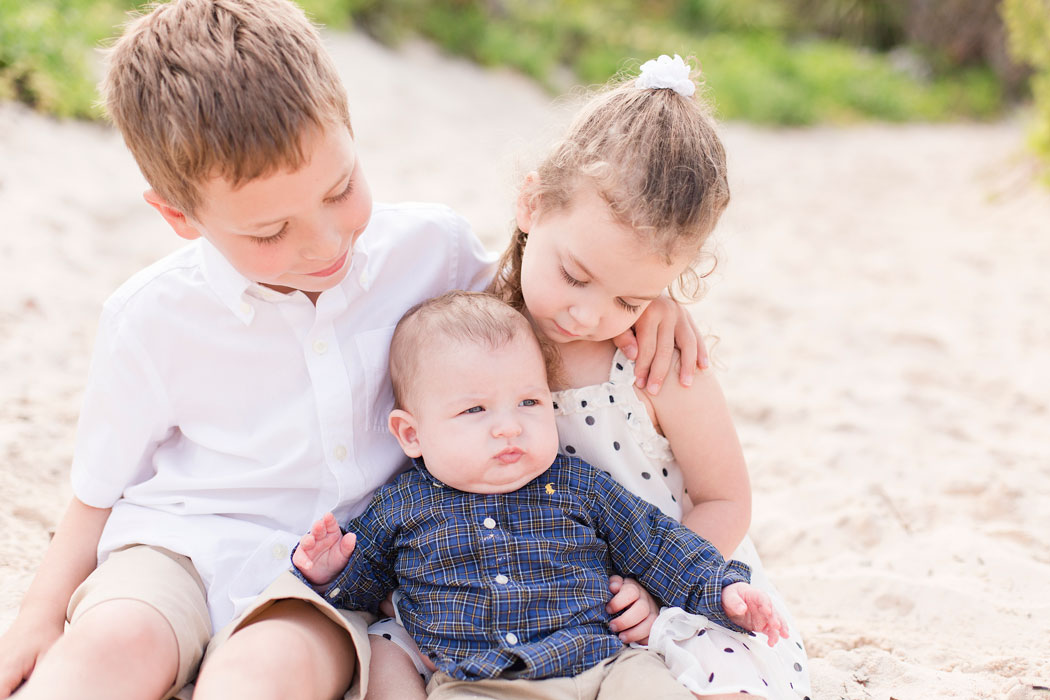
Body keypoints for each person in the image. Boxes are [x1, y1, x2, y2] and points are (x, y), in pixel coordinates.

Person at [0, 4, 704, 699]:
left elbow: (544, 297)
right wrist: (37, 618)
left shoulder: (432, 251)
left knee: (260, 677)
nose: (325, 242)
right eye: (271, 231)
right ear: (179, 216)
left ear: (351, 134)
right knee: (108, 647)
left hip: (335, 573)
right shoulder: (150, 316)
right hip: (175, 545)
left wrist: (646, 297)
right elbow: (95, 494)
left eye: (341, 189)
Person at [488, 54, 813, 698]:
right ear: (531, 203)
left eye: (630, 300)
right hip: (523, 591)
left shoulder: (654, 364)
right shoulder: (475, 327)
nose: (588, 315)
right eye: (575, 276)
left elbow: (725, 499)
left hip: (654, 597)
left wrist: (655, 584)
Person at [292, 291, 789, 700]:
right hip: (480, 681)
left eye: (529, 402)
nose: (509, 427)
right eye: (475, 410)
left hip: (606, 665)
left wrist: (723, 591)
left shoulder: (580, 485)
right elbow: (362, 592)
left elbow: (661, 547)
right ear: (411, 434)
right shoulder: (401, 507)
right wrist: (329, 570)